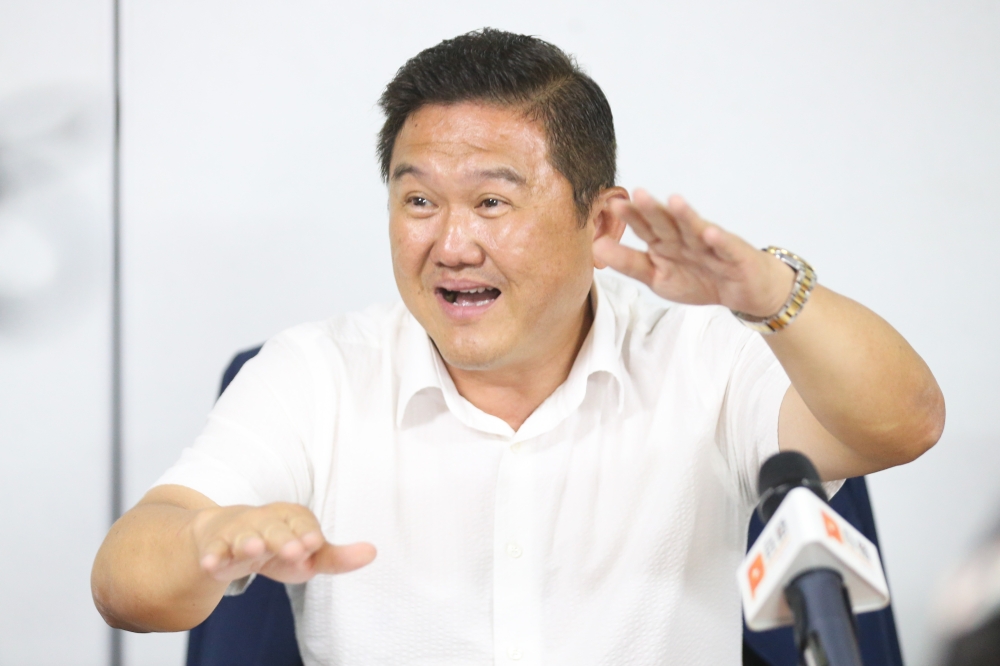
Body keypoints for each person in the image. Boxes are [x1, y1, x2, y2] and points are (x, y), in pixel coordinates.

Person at [91, 29, 944, 665]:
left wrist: (764, 293)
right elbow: (126, 579)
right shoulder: (317, 373)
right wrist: (209, 538)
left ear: (600, 219)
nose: (452, 244)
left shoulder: (702, 360)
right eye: (418, 201)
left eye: (493, 204)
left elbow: (903, 423)